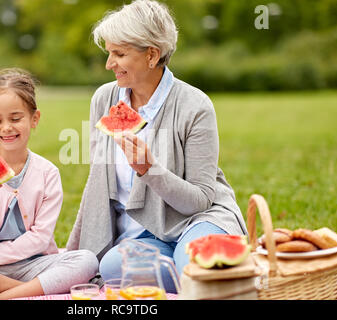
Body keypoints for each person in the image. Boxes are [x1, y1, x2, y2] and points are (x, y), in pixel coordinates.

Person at [66, 0, 248, 293]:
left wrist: (151, 170)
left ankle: (201, 273)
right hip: (147, 237)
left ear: (152, 55)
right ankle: (202, 280)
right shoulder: (104, 99)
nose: (108, 64)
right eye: (109, 52)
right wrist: (75, 250)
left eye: (119, 54)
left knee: (191, 261)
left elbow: (200, 200)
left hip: (198, 219)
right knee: (112, 267)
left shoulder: (195, 105)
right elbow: (97, 184)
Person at [0, 68, 98, 300]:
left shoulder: (48, 173)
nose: (6, 128)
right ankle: (32, 292)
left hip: (34, 263)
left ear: (34, 119)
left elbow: (40, 238)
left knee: (86, 260)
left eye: (15, 119)